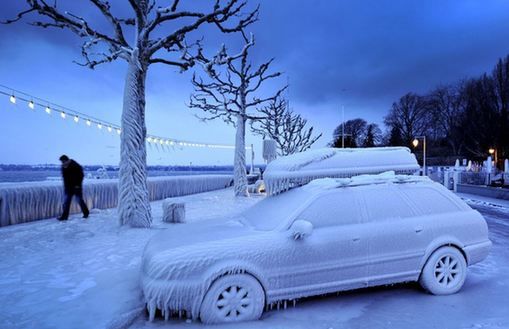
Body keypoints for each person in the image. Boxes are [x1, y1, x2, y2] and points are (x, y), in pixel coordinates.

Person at [58, 155, 89, 221]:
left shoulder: (76, 165)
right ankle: (64, 217)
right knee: (66, 202)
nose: (62, 163)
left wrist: (77, 185)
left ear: (67, 160)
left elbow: (81, 176)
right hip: (68, 187)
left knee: (79, 200)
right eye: (62, 162)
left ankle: (86, 213)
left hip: (76, 187)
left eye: (63, 161)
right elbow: (65, 178)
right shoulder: (63, 167)